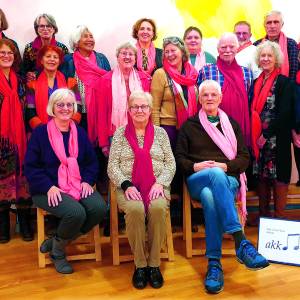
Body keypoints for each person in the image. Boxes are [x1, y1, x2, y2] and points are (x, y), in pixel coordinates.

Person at [176, 79, 269, 294]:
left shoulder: (232, 124)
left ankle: (214, 264)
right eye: (205, 95)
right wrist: (196, 166)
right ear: (199, 99)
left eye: (213, 95)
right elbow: (179, 159)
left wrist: (224, 166)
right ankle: (241, 242)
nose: (209, 98)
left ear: (220, 98)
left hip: (227, 178)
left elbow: (245, 158)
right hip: (197, 178)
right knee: (210, 181)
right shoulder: (189, 126)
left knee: (210, 196)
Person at [24, 88, 107, 274]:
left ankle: (56, 242)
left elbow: (91, 162)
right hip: (45, 189)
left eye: (69, 105)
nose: (65, 108)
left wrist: (87, 181)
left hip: (77, 184)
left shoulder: (79, 132)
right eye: (60, 104)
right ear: (52, 107)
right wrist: (48, 187)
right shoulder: (40, 133)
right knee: (76, 213)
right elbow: (30, 167)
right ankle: (58, 253)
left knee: (100, 208)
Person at [108, 90, 175, 289]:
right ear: (129, 110)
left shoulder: (161, 134)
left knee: (157, 207)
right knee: (136, 209)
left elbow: (171, 164)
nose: (139, 110)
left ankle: (154, 264)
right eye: (135, 107)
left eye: (143, 106)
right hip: (128, 186)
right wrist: (126, 185)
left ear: (149, 110)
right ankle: (140, 265)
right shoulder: (119, 134)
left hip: (157, 185)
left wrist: (160, 183)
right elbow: (112, 166)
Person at [251, 41, 300, 219]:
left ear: (276, 59)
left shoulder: (285, 83)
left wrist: (266, 134)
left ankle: (279, 221)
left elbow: (285, 113)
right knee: (262, 179)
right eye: (262, 56)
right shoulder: (256, 82)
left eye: (269, 56)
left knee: (280, 178)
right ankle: (264, 220)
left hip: (276, 140)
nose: (265, 59)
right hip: (259, 142)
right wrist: (259, 136)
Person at [0, 39, 33, 243]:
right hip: (1, 141)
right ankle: (3, 227)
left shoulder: (21, 81)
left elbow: (27, 108)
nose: (6, 56)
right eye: (2, 53)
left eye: (10, 53)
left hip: (20, 139)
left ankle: (25, 224)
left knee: (22, 182)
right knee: (1, 183)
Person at [198, 32, 252, 147]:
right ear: (218, 49)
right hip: (213, 125)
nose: (227, 50)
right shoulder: (206, 70)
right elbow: (200, 99)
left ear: (237, 48)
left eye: (232, 46)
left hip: (239, 125)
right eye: (223, 47)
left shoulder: (246, 73)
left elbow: (249, 100)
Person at [98, 42, 151, 154]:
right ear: (117, 58)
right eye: (124, 53)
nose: (127, 57)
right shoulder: (105, 80)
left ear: (135, 59)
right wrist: (104, 143)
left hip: (141, 132)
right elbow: (102, 112)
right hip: (115, 133)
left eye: (131, 54)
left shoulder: (145, 79)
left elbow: (149, 109)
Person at [61, 25, 111, 140]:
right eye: (85, 37)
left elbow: (109, 82)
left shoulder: (101, 58)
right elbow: (62, 85)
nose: (90, 39)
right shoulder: (68, 60)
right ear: (76, 42)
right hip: (76, 113)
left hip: (100, 112)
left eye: (91, 36)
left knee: (99, 149)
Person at [151, 36, 199, 150]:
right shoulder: (160, 74)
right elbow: (154, 108)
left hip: (189, 128)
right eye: (166, 52)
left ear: (182, 52)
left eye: (173, 50)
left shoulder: (192, 74)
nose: (169, 54)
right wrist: (157, 135)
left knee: (185, 164)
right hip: (167, 129)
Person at [26, 45, 80, 130]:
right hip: (42, 132)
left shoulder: (71, 82)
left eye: (55, 57)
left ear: (59, 61)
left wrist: (68, 126)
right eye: (48, 56)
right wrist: (42, 130)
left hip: (67, 130)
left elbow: (78, 106)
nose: (52, 59)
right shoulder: (31, 85)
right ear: (41, 61)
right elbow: (30, 111)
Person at [22, 13, 69, 82]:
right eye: (41, 26)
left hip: (57, 84)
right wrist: (28, 74)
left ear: (54, 29)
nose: (45, 29)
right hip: (35, 84)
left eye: (49, 26)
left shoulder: (62, 48)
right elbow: (24, 70)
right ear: (37, 29)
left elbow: (66, 70)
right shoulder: (29, 48)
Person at [254, 10, 299, 81]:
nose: (272, 26)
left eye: (276, 22)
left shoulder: (290, 43)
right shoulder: (257, 44)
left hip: (284, 87)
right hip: (260, 85)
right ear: (264, 25)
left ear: (282, 24)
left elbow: (294, 70)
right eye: (269, 23)